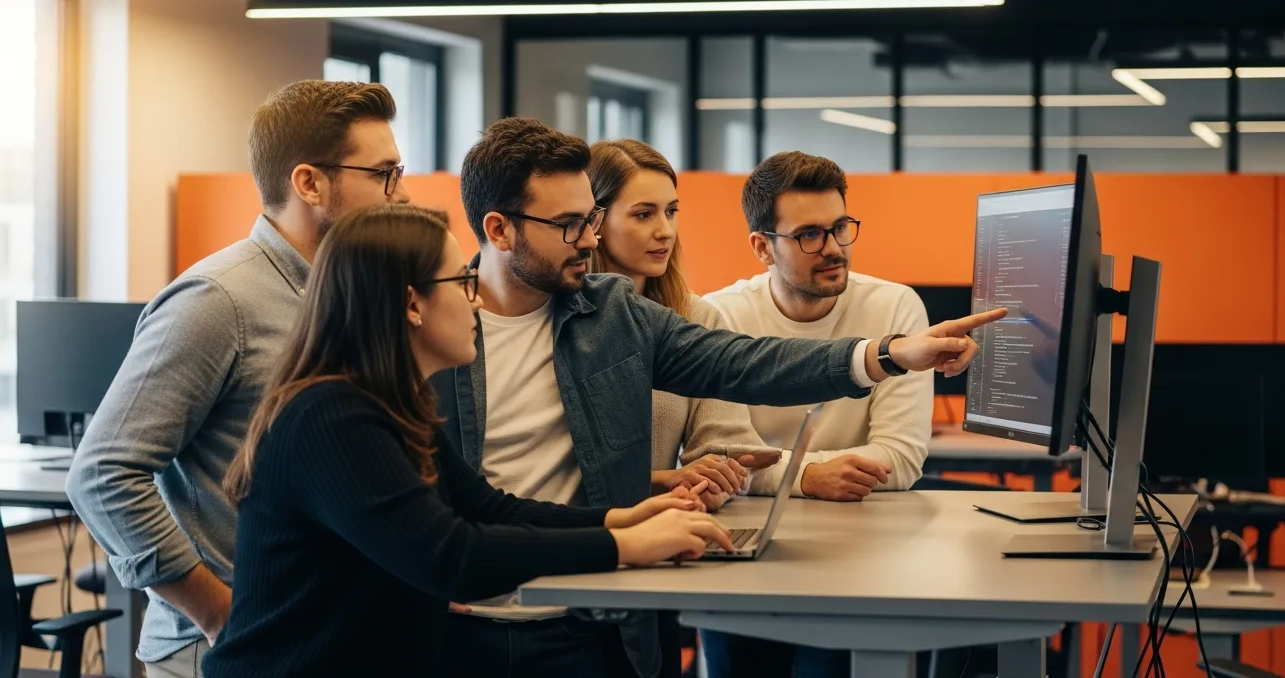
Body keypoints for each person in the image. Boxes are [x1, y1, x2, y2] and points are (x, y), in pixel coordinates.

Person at [431, 117, 1005, 678]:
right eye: (568, 225)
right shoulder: (425, 325)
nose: (589, 239)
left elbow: (744, 362)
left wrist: (889, 354)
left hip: (590, 624)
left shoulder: (612, 314)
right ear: (500, 230)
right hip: (450, 628)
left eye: (591, 220)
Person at [202, 204, 730, 678]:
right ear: (413, 304)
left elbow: (484, 508)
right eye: (462, 283)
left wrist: (621, 517)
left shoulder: (392, 404)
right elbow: (451, 557)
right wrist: (623, 547)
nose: (475, 302)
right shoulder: (331, 417)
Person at [66, 80, 411, 677]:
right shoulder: (217, 300)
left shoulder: (346, 295)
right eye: (383, 174)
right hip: (227, 647)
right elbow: (101, 475)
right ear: (309, 182)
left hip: (327, 633)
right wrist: (218, 610)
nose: (399, 194)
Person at [700, 150, 936, 678]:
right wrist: (808, 475)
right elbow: (719, 457)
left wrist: (780, 471)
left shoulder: (896, 309)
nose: (833, 249)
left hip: (859, 554)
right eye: (809, 234)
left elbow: (900, 457)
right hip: (746, 552)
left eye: (840, 228)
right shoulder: (719, 316)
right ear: (762, 247)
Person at [586, 138, 781, 510]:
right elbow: (556, 476)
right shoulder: (561, 319)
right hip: (576, 536)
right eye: (644, 214)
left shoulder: (694, 316)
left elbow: (725, 443)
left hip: (663, 528)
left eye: (671, 211)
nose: (665, 231)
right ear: (594, 221)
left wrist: (715, 480)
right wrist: (663, 480)